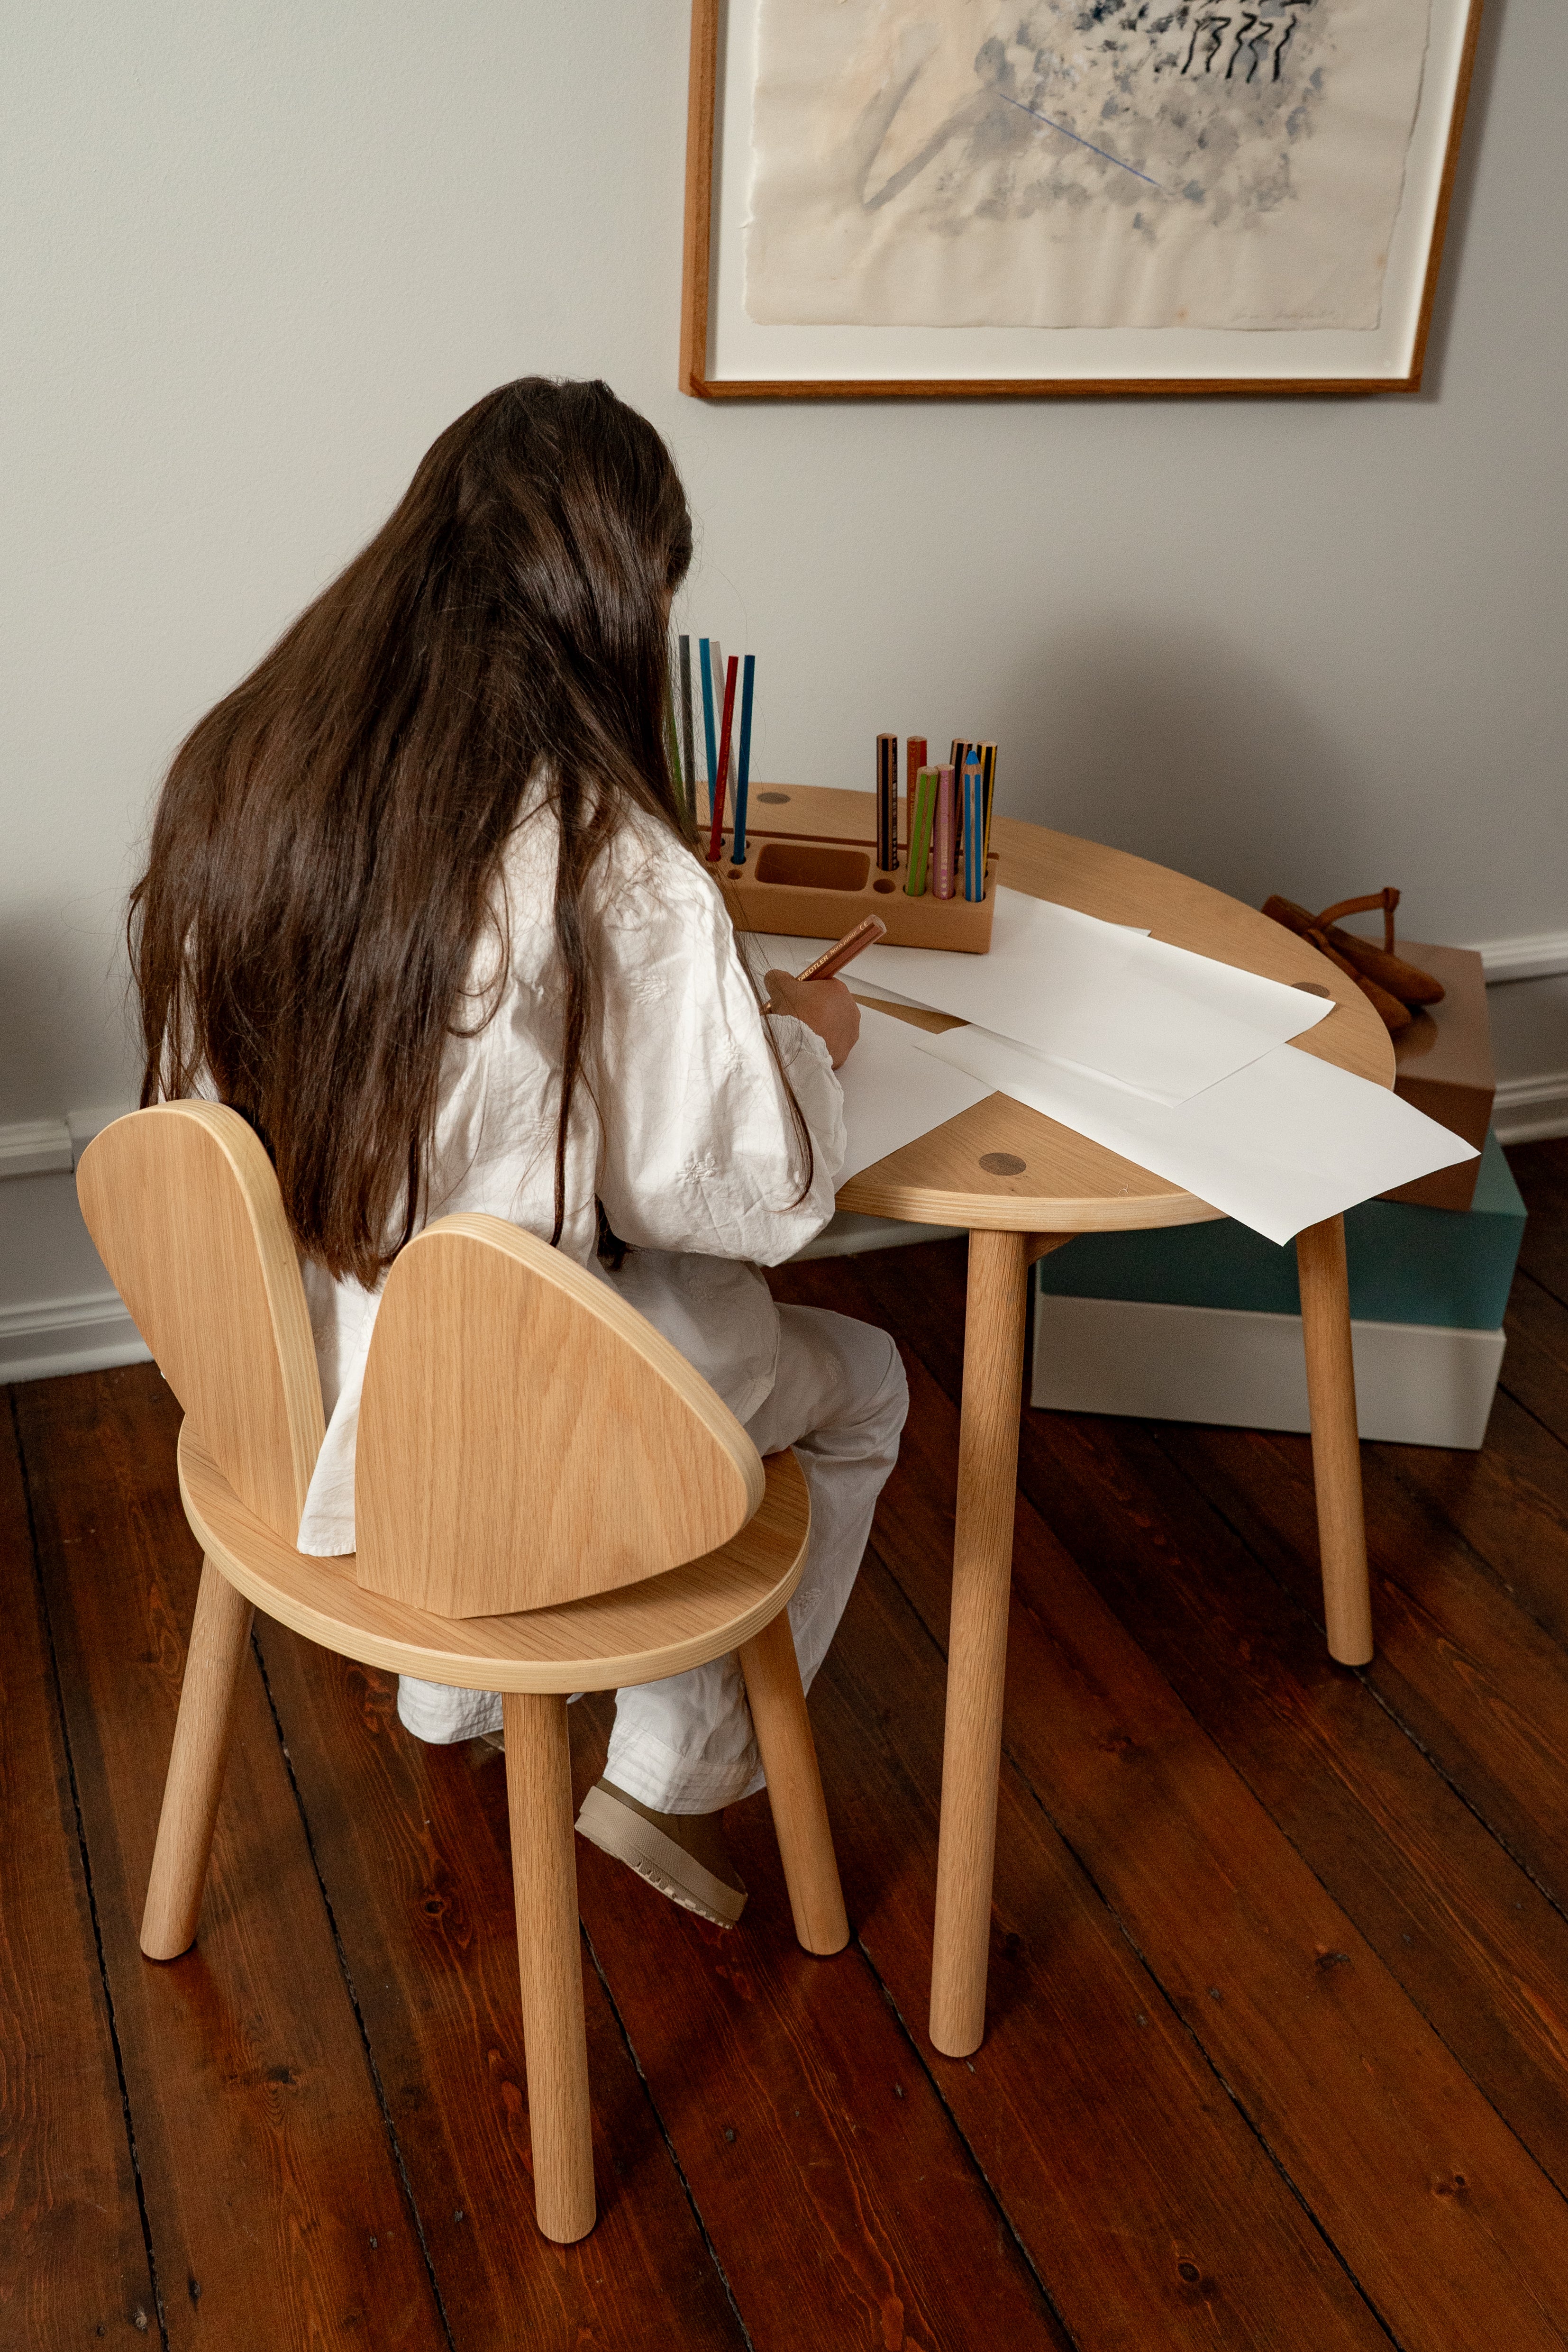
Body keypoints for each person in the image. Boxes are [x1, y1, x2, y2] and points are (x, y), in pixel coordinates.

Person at [129, 376, 907, 1928]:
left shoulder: (246, 771)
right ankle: (672, 1770)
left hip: (292, 1385)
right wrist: (805, 1035)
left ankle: (450, 1697)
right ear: (615, 599)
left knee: (460, 1263)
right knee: (865, 1383)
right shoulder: (608, 859)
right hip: (519, 1436)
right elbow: (736, 1200)